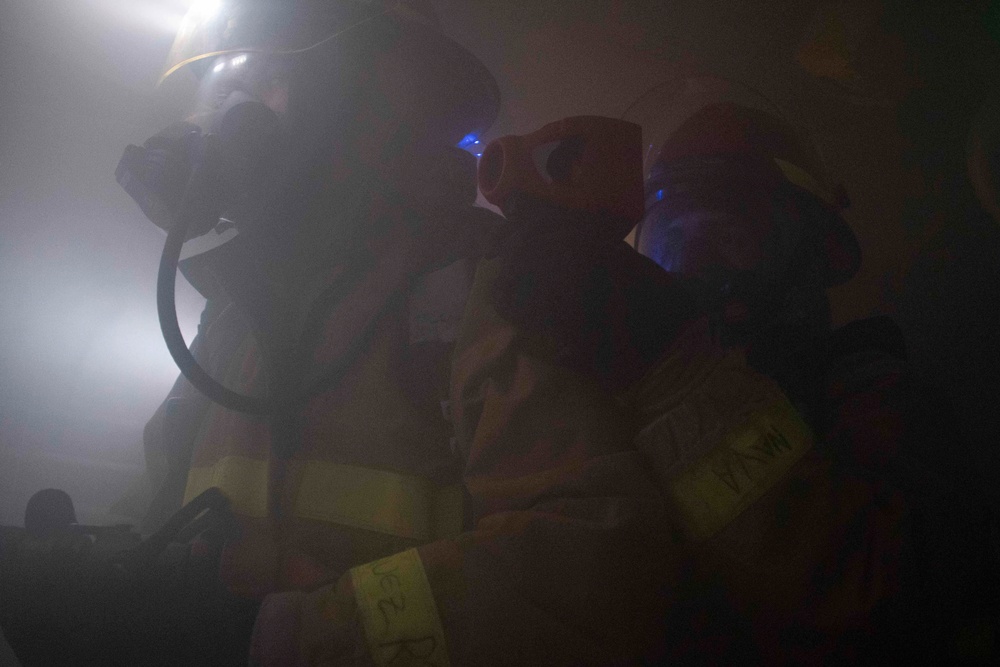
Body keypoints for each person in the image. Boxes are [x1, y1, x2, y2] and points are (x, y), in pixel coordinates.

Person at [129, 2, 739, 664]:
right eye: (215, 93)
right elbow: (158, 506)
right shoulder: (234, 311)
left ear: (366, 98)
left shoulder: (485, 286)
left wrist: (290, 636)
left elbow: (594, 570)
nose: (219, 125)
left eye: (249, 88)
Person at [631, 82, 1000, 662]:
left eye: (730, 238)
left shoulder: (878, 404)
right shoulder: (647, 405)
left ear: (803, 256)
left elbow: (888, 606)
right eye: (673, 242)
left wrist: (676, 385)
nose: (693, 270)